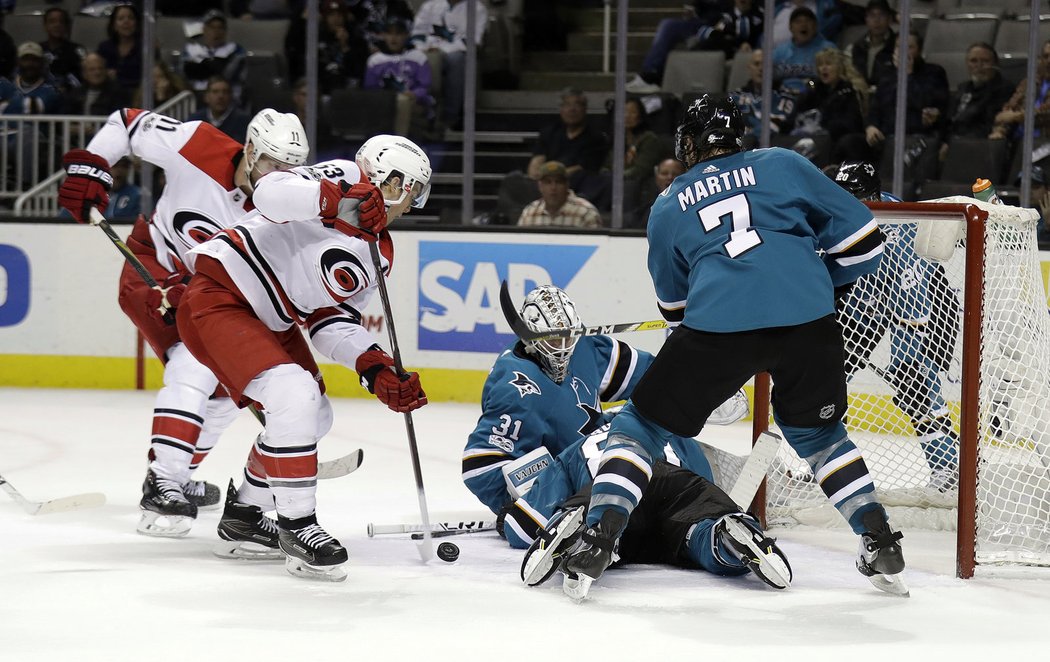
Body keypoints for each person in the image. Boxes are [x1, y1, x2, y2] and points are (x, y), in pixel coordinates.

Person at [531, 93, 906, 601]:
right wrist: (814, 285)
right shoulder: (784, 163)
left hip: (718, 330)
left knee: (638, 428)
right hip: (810, 323)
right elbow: (866, 245)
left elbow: (676, 309)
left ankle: (598, 537)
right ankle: (880, 540)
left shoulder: (668, 202)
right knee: (822, 440)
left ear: (690, 142)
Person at [176, 135, 432, 581]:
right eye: (413, 192)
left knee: (314, 415)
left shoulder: (378, 251)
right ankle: (298, 524)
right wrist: (336, 201)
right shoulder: (344, 176)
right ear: (394, 183)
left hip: (270, 319)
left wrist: (374, 365)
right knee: (293, 394)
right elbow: (269, 192)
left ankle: (245, 516)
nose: (410, 206)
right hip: (221, 295)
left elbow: (329, 320)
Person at [56, 107, 310, 538]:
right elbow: (127, 122)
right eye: (270, 163)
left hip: (212, 296)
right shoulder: (199, 143)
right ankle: (164, 482)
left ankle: (178, 471)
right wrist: (93, 167)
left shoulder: (289, 207)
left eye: (290, 169)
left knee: (236, 388)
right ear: (249, 150)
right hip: (152, 270)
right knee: (193, 363)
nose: (278, 178)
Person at [463, 283, 749, 515]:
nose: (564, 348)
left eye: (569, 337)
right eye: (554, 340)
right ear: (529, 337)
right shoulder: (514, 388)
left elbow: (650, 375)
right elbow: (480, 468)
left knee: (659, 416)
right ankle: (688, 493)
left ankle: (708, 493)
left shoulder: (586, 347)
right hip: (574, 475)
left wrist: (699, 389)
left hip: (601, 453)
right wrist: (512, 507)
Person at [512, 423, 791, 592]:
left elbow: (522, 527)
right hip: (670, 479)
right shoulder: (672, 431)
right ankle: (723, 538)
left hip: (612, 487)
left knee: (600, 525)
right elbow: (700, 479)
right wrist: (706, 509)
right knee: (698, 526)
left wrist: (506, 519)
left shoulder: (576, 447)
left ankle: (580, 534)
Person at [831, 161, 960, 491]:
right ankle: (826, 465)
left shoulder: (900, 227)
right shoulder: (834, 215)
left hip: (926, 307)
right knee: (827, 381)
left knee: (916, 385)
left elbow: (910, 300)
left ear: (873, 195)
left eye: (855, 197)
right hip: (865, 303)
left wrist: (908, 360)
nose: (846, 203)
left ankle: (948, 467)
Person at [626, 0, 764, 94]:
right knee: (671, 27)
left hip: (736, 44)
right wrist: (718, 29)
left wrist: (726, 32)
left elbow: (743, 30)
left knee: (710, 42)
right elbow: (713, 26)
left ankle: (655, 77)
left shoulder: (756, 13)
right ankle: (651, 75)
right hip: (716, 35)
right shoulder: (726, 13)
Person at [409, 0, 487, 130]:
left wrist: (442, 50)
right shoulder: (430, 6)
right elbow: (417, 35)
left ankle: (449, 117)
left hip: (457, 52)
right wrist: (423, 48)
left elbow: (473, 41)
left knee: (456, 60)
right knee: (417, 58)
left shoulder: (477, 8)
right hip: (427, 50)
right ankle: (422, 114)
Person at [792, 47, 868, 163]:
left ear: (839, 67)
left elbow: (851, 124)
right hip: (814, 137)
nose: (823, 68)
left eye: (828, 64)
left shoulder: (848, 91)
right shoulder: (814, 90)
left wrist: (823, 128)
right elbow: (797, 113)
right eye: (820, 64)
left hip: (836, 140)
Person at [364, 17, 434, 138]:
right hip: (384, 100)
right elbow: (370, 88)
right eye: (389, 34)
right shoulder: (375, 60)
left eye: (398, 34)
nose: (393, 38)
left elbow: (425, 86)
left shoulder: (418, 57)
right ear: (384, 36)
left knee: (402, 102)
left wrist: (414, 94)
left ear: (406, 35)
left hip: (413, 101)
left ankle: (399, 142)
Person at [945, 43, 1014, 143]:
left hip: (978, 144)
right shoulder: (963, 88)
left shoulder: (1004, 89)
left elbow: (988, 126)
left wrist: (956, 142)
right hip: (954, 141)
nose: (979, 66)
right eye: (973, 61)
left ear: (995, 64)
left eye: (985, 61)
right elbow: (950, 119)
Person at [181, 10, 247, 104]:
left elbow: (226, 73)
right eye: (212, 27)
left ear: (225, 31)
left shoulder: (235, 50)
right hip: (195, 96)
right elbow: (184, 73)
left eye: (220, 28)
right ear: (204, 29)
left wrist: (200, 68)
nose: (216, 31)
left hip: (226, 97)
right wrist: (212, 66)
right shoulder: (190, 50)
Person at [990, 40, 1050, 143]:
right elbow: (1010, 108)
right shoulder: (1028, 82)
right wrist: (1001, 130)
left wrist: (1015, 117)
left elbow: (1046, 114)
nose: (1049, 60)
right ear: (1040, 60)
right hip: (1018, 143)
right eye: (1046, 56)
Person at [771, 6, 835, 97]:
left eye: (808, 21)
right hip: (783, 97)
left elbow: (833, 81)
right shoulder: (780, 52)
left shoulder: (827, 49)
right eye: (798, 21)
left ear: (815, 26)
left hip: (816, 95)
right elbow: (769, 79)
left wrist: (811, 86)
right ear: (790, 27)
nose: (803, 25)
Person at [517, 161, 602, 228]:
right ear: (540, 186)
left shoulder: (586, 213)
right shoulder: (530, 212)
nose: (553, 187)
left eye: (558, 182)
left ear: (567, 185)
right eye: (548, 182)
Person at [843, 0, 895, 87]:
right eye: (872, 15)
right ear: (866, 19)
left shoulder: (897, 47)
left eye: (881, 15)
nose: (876, 20)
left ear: (889, 19)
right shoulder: (855, 48)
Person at [0, 42, 62, 115]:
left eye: (34, 60)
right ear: (18, 62)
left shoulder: (51, 91)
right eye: (25, 60)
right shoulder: (5, 85)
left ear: (42, 63)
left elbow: (31, 107)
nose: (30, 64)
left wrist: (6, 103)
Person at [64, 52, 130, 116]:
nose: (97, 72)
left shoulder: (118, 93)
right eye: (92, 69)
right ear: (84, 74)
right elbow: (64, 118)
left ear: (106, 71)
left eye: (100, 68)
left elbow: (120, 120)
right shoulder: (74, 93)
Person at [39, 7, 87, 94]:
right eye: (52, 21)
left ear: (67, 26)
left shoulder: (77, 50)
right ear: (45, 26)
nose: (57, 25)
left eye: (61, 21)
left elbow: (84, 77)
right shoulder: (38, 49)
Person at [188, 76, 251, 141]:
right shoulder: (195, 120)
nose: (220, 96)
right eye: (215, 92)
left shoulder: (243, 121)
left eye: (225, 92)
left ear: (231, 96)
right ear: (206, 97)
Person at [96, 4, 143, 90]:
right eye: (121, 18)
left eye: (131, 18)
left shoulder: (145, 48)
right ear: (114, 25)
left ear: (136, 23)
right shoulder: (104, 47)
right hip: (110, 93)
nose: (126, 22)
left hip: (138, 93)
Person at [633, 157, 686, 228]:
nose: (670, 177)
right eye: (664, 173)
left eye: (675, 174)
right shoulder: (644, 209)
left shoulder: (690, 205)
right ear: (656, 177)